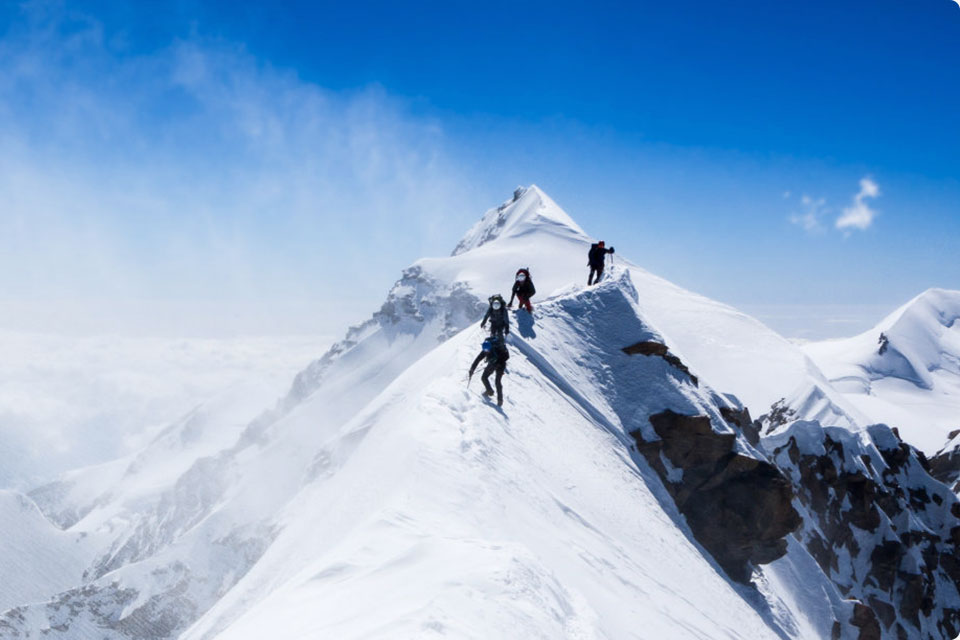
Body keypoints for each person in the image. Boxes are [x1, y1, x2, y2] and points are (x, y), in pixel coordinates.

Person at [469, 335, 509, 406]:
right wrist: (472, 370)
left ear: (490, 348)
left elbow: (507, 356)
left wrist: (499, 363)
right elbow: (477, 359)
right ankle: (489, 391)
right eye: (485, 351)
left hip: (501, 364)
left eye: (487, 351)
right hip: (493, 363)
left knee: (497, 381)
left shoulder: (497, 349)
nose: (486, 352)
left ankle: (500, 400)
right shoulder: (485, 350)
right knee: (484, 377)